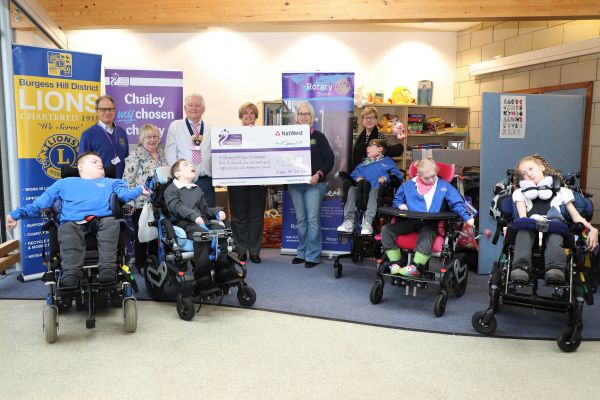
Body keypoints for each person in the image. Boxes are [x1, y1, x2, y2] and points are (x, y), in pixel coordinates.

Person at [6, 152, 147, 287]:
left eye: (101, 163)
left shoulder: (112, 182)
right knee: (66, 228)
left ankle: (107, 268)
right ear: (81, 167)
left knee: (112, 222)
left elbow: (125, 195)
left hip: (102, 219)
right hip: (73, 222)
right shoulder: (64, 183)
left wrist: (140, 189)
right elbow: (39, 204)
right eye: (95, 161)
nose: (100, 165)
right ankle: (71, 273)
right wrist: (15, 215)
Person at [510, 154, 598, 285]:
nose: (527, 174)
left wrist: (593, 230)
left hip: (554, 224)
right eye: (523, 173)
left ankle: (555, 268)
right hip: (531, 224)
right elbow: (523, 217)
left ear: (541, 168)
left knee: (555, 233)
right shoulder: (520, 193)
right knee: (524, 230)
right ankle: (521, 267)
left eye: (530, 169)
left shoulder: (562, 192)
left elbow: (576, 217)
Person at [381, 158, 474, 277]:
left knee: (426, 236)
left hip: (431, 223)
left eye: (433, 176)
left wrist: (467, 217)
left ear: (437, 172)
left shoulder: (444, 186)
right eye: (426, 178)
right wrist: (400, 205)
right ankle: (395, 263)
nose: (430, 180)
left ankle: (416, 267)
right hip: (410, 220)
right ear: (419, 175)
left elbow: (457, 203)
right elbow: (397, 199)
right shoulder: (408, 185)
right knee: (387, 230)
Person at [164, 159, 238, 293]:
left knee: (221, 231)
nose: (191, 165)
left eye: (191, 164)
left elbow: (204, 209)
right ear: (177, 173)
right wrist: (193, 216)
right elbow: (176, 206)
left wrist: (217, 212)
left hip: (202, 221)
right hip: (184, 223)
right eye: (186, 165)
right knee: (203, 236)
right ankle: (202, 277)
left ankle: (222, 269)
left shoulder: (196, 188)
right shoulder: (171, 190)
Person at [288, 102, 334, 268]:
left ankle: (312, 255)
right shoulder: (290, 136)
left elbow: (329, 159)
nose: (304, 116)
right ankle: (301, 252)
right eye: (301, 114)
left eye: (307, 114)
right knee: (301, 220)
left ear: (312, 117)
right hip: (295, 185)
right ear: (296, 117)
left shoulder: (319, 137)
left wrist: (318, 174)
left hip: (314, 183)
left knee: (312, 220)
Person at [122, 124, 169, 273]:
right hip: (141, 203)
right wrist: (129, 202)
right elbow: (127, 180)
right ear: (142, 139)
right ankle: (141, 264)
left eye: (155, 136)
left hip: (160, 203)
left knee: (157, 234)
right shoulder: (135, 155)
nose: (152, 140)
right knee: (141, 234)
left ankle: (154, 262)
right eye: (148, 137)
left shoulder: (162, 154)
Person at [228, 102, 268, 263]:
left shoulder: (264, 134)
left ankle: (255, 251)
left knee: (256, 216)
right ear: (241, 116)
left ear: (256, 116)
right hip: (237, 181)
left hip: (259, 181)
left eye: (252, 113)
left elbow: (270, 156)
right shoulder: (231, 134)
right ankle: (241, 249)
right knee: (238, 217)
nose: (249, 115)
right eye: (246, 113)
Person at [337, 139, 402, 235]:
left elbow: (398, 175)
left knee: (374, 190)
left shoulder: (387, 161)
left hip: (378, 191)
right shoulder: (363, 164)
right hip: (362, 192)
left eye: (371, 146)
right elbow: (354, 174)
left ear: (380, 149)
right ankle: (348, 221)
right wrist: (357, 177)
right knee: (351, 189)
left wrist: (386, 177)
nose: (367, 148)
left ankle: (367, 222)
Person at [165, 94, 215, 207]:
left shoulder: (211, 129)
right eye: (190, 105)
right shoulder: (176, 126)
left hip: (206, 182)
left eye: (197, 105)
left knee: (208, 218)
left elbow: (215, 156)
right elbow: (170, 153)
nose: (194, 108)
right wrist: (179, 176)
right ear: (185, 108)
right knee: (186, 219)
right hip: (183, 182)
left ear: (203, 109)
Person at [79, 95, 129, 179]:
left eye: (110, 109)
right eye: (103, 109)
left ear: (115, 110)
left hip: (122, 183)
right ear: (96, 111)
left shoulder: (121, 132)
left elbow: (126, 158)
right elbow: (83, 164)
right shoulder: (88, 134)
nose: (107, 112)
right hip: (100, 184)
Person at [351, 106, 405, 170]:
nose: (369, 120)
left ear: (376, 120)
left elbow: (384, 155)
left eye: (372, 118)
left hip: (375, 169)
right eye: (366, 118)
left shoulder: (380, 135)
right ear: (362, 121)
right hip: (360, 170)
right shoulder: (359, 136)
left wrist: (366, 161)